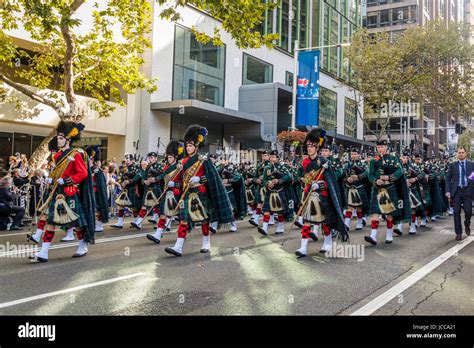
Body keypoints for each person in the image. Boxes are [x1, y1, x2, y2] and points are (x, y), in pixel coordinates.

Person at [29, 121, 95, 262]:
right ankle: (44, 252)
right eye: (58, 137)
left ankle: (83, 245)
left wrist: (66, 181)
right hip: (57, 192)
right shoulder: (58, 155)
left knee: (76, 224)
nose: (57, 140)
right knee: (51, 221)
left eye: (60, 138)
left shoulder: (77, 154)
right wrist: (51, 179)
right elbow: (57, 173)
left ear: (68, 139)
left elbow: (82, 174)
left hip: (69, 193)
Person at [164, 124, 234, 257]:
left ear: (196, 147)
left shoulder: (203, 160)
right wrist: (174, 183)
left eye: (190, 146)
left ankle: (206, 242)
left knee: (203, 219)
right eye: (187, 145)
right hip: (186, 193)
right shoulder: (183, 161)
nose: (188, 148)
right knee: (183, 220)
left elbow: (211, 177)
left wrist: (199, 179)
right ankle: (178, 246)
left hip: (200, 192)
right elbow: (181, 180)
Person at [445, 146, 473, 240]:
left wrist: (470, 180)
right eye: (459, 152)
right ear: (457, 154)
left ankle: (467, 223)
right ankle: (458, 233)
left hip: (467, 191)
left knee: (468, 211)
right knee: (456, 212)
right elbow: (448, 179)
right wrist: (448, 191)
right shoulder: (453, 165)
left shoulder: (471, 164)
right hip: (456, 192)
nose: (461, 154)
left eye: (462, 152)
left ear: (465, 153)